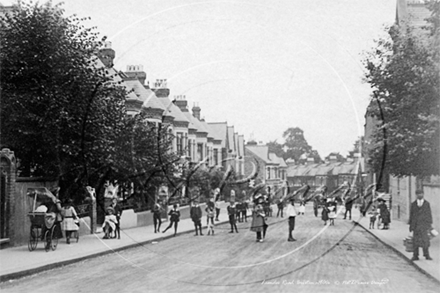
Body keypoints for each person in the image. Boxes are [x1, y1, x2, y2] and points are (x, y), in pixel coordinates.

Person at [409, 189, 433, 261]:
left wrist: (429, 225)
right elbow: (412, 215)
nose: (420, 195)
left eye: (421, 194)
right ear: (416, 195)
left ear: (423, 194)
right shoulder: (413, 204)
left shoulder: (426, 204)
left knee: (425, 241)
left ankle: (427, 255)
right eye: (418, 194)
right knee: (415, 241)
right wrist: (411, 226)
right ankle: (415, 255)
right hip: (416, 226)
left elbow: (429, 214)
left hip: (424, 226)